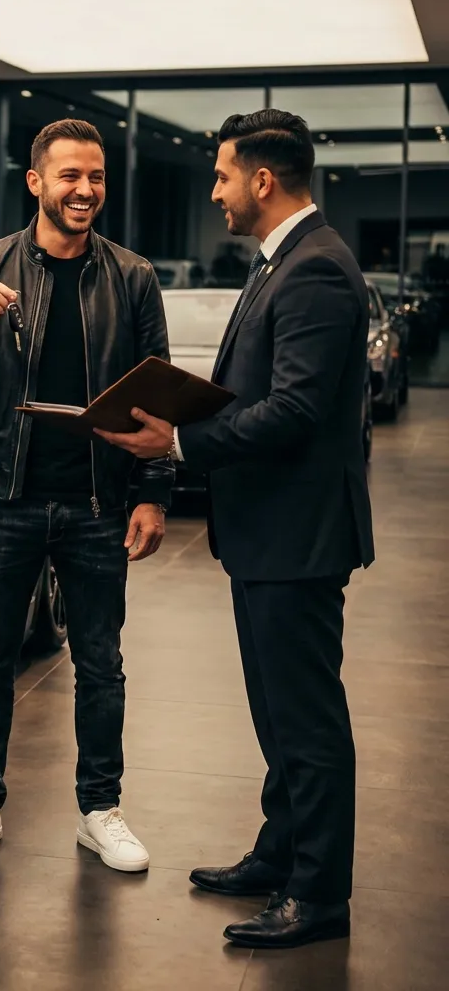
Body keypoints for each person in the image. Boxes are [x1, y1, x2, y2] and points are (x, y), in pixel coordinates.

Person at [99, 109, 374, 948]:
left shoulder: (318, 269)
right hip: (266, 533)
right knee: (276, 712)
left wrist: (180, 440)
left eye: (222, 176)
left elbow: (295, 409)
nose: (214, 190)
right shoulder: (281, 261)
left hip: (297, 536)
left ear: (263, 179)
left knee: (307, 721)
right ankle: (280, 850)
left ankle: (319, 895)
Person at [0, 118, 174, 871]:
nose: (85, 191)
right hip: (7, 499)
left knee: (102, 664)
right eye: (70, 176)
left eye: (96, 177)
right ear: (36, 182)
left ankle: (100, 811)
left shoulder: (132, 277)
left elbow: (158, 396)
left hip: (99, 504)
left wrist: (153, 493)